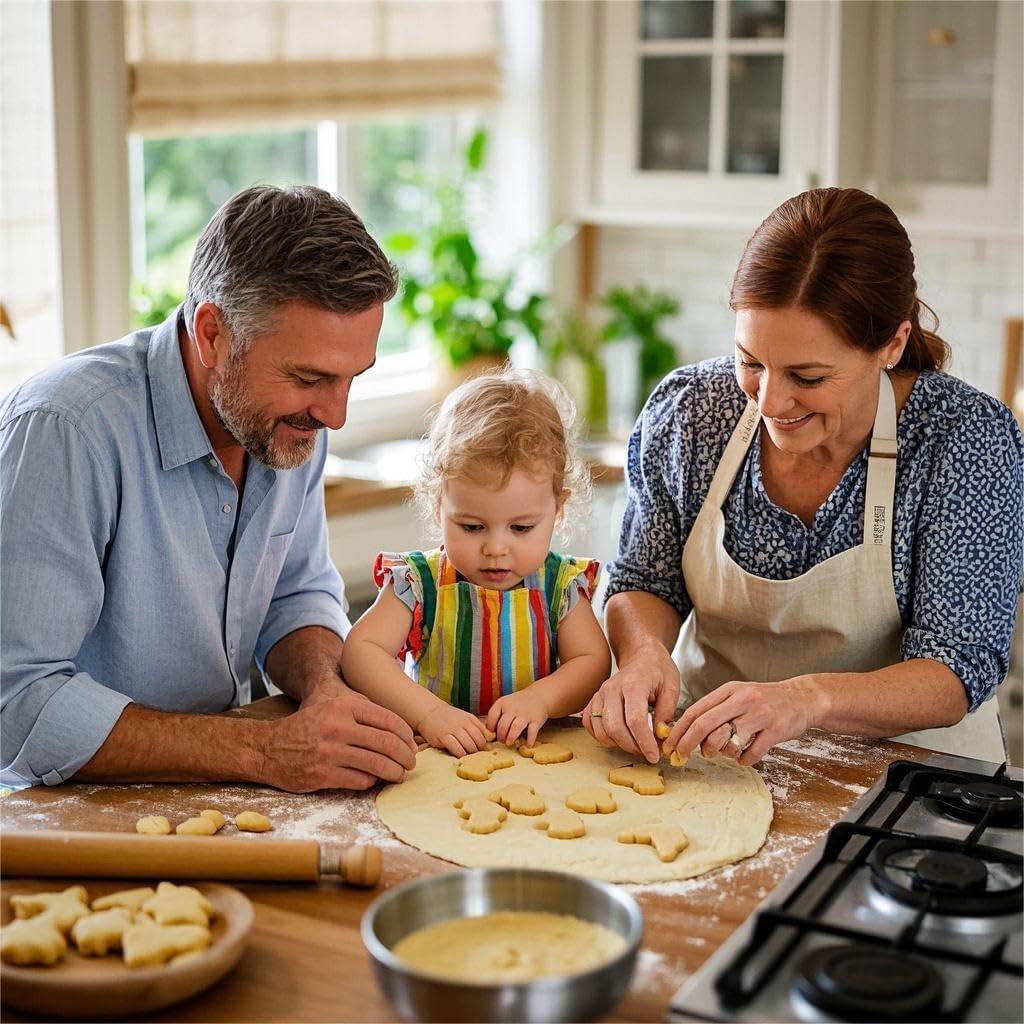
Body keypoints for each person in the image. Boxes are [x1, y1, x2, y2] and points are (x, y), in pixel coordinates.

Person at [584, 187, 1023, 768]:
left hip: (903, 779)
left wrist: (805, 699)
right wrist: (642, 657)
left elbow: (955, 668)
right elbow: (646, 581)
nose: (770, 401)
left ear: (891, 343)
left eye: (808, 376)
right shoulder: (692, 411)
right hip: (709, 759)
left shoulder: (963, 440)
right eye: (751, 362)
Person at [0, 185, 418, 792]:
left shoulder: (292, 417)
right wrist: (263, 751)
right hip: (63, 818)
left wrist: (326, 687)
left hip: (220, 788)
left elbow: (294, 594)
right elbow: (16, 701)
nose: (336, 414)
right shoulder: (65, 430)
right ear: (212, 333)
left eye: (354, 377)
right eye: (311, 377)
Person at [341, 367, 612, 756]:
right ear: (438, 505)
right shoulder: (420, 583)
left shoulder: (560, 586)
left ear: (559, 508)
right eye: (471, 526)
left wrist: (540, 699)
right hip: (439, 758)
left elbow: (592, 661)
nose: (495, 548)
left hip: (537, 758)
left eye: (521, 528)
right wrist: (428, 714)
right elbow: (361, 651)